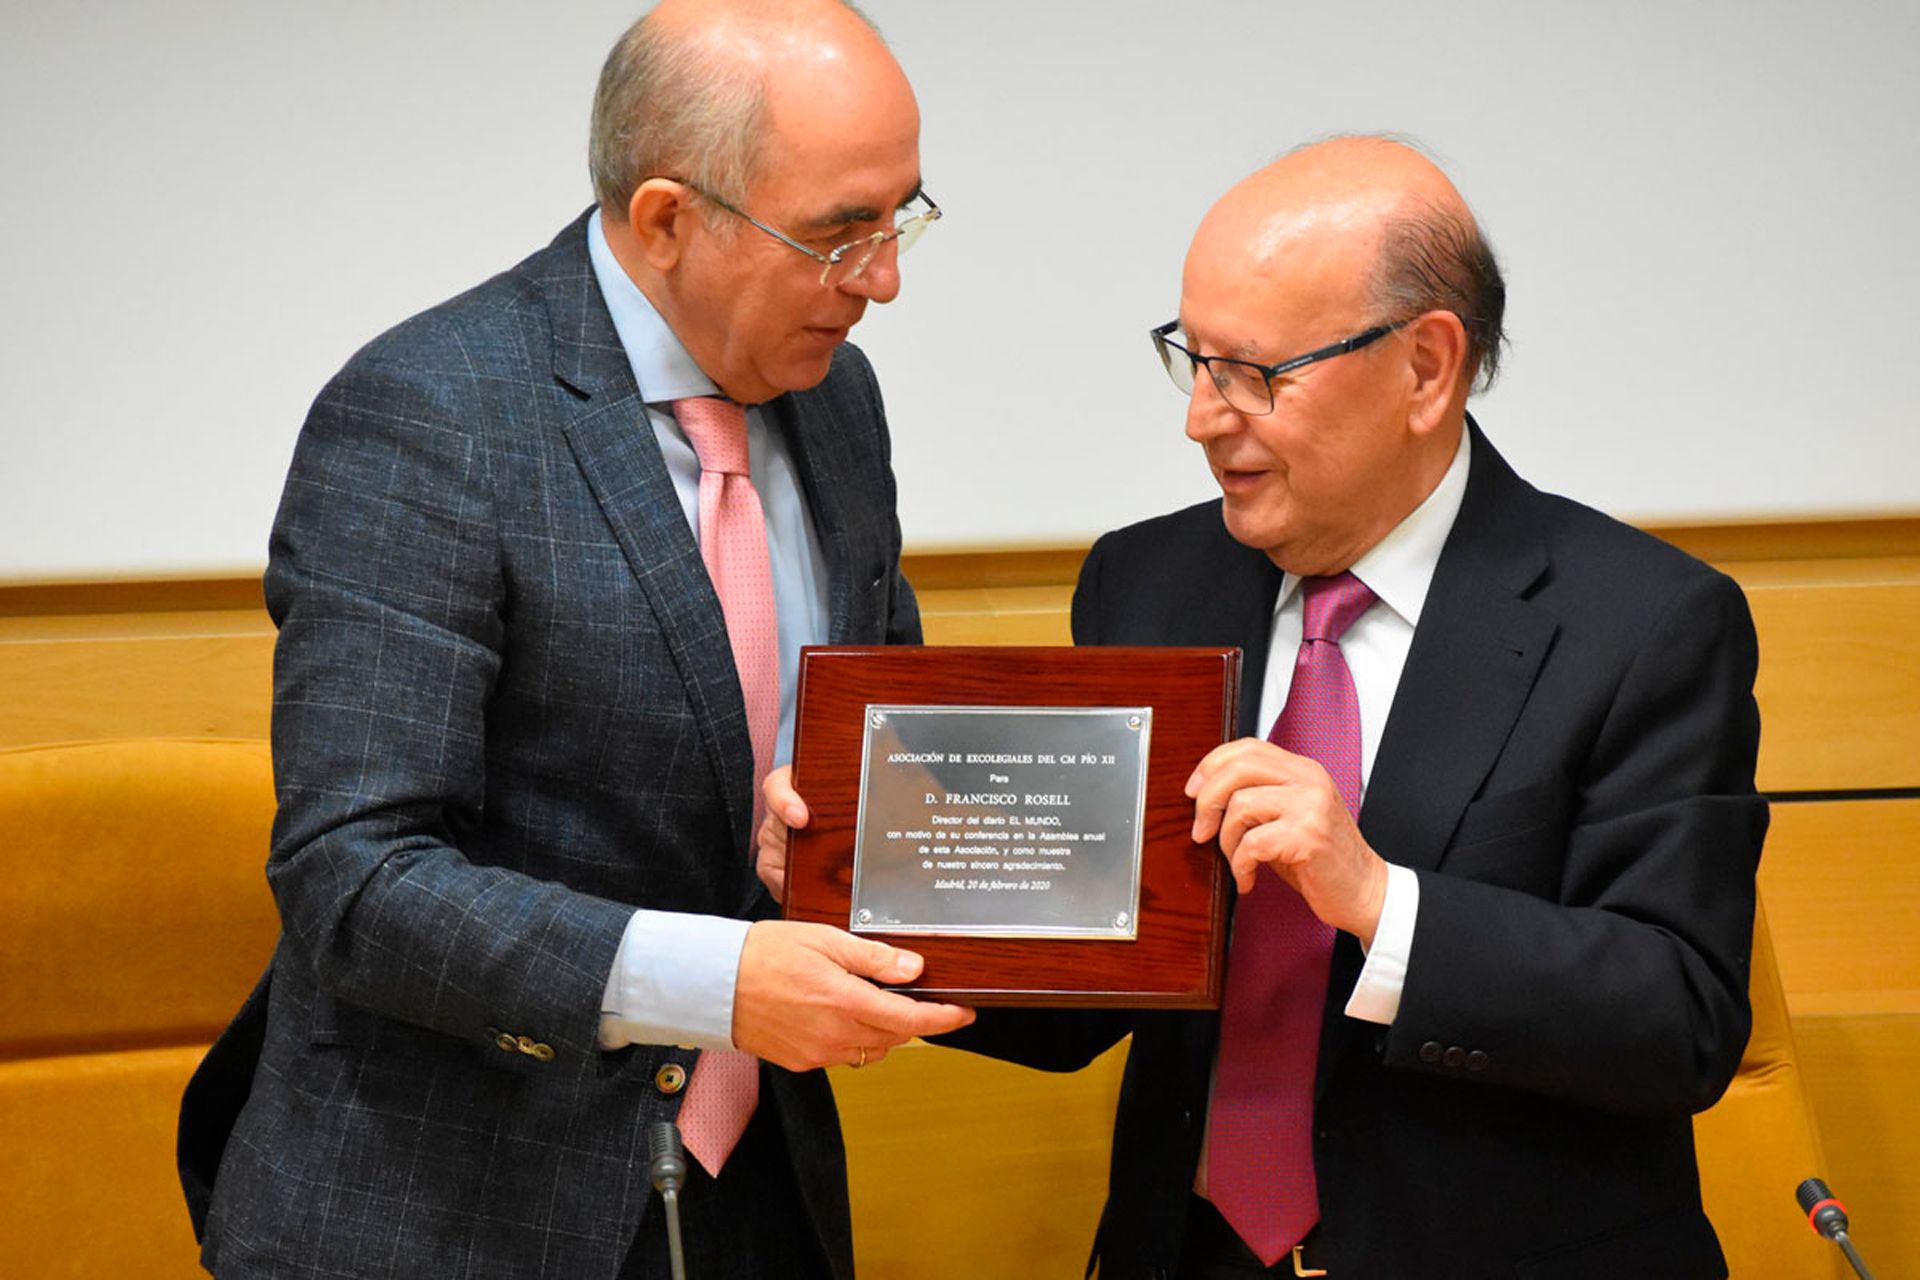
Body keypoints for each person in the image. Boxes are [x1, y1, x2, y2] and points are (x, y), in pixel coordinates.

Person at [758, 136, 1767, 1277]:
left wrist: (1381, 900)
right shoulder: (1146, 584)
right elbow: (1097, 978)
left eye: (1255, 373)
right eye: (1191, 360)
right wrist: (862, 893)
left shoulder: (1643, 620)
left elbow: (1679, 1015)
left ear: (1427, 367)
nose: (1201, 418)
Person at [175, 2, 973, 1276]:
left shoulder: (833, 398)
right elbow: (357, 878)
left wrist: (850, 827)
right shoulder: (434, 413)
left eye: (901, 218)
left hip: (752, 1185)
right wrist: (716, 977)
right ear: (666, 217)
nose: (884, 279)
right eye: (838, 234)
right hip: (455, 1202)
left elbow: (865, 729)